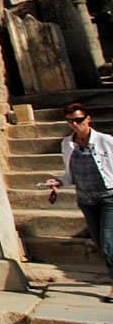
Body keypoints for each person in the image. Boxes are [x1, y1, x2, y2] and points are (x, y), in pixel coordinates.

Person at [48, 102, 113, 301]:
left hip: (109, 197)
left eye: (78, 120)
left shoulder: (106, 141)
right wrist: (58, 181)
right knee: (101, 244)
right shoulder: (67, 144)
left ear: (88, 119)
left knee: (109, 242)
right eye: (70, 121)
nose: (75, 124)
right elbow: (70, 174)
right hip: (86, 199)